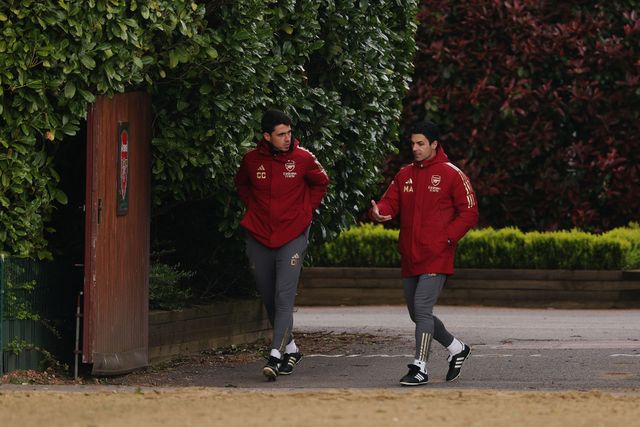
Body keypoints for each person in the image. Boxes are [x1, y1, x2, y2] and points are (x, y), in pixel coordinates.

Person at [369, 120, 478, 386]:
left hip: (437, 255)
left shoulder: (452, 174)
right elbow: (390, 201)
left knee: (422, 308)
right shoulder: (404, 174)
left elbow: (469, 212)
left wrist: (447, 238)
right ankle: (456, 348)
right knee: (418, 314)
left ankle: (420, 367)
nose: (415, 149)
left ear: (434, 145)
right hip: (410, 254)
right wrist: (380, 211)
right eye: (413, 144)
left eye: (421, 144)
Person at [235, 109, 329, 381]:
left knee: (284, 296)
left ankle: (275, 355)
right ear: (267, 136)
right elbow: (241, 183)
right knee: (268, 297)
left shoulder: (304, 158)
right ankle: (291, 349)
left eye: (289, 133)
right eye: (281, 134)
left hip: (292, 236)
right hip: (260, 236)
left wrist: (305, 212)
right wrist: (253, 207)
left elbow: (321, 183)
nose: (287, 138)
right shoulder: (252, 161)